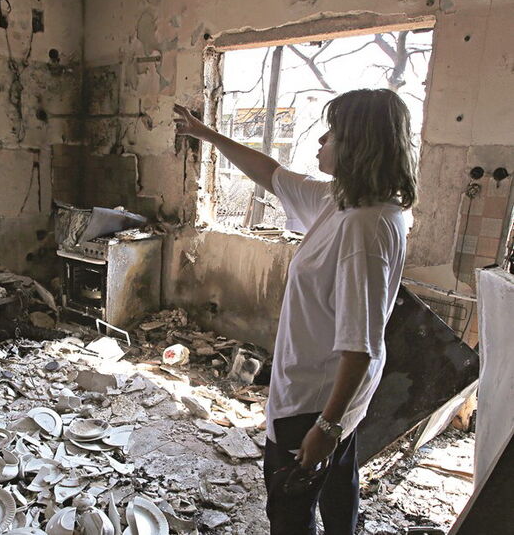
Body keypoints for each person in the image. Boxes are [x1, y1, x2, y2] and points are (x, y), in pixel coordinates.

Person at [174, 89, 417, 534]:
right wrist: (205, 133)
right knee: (339, 485)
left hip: (315, 399)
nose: (320, 141)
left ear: (360, 145)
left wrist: (326, 424)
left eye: (333, 134)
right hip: (332, 395)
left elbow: (359, 345)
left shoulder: (364, 228)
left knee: (289, 511)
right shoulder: (345, 202)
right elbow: (271, 173)